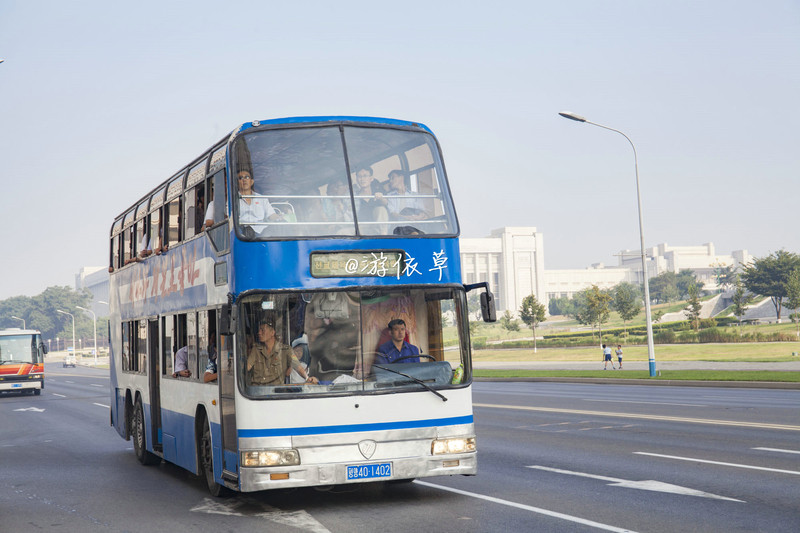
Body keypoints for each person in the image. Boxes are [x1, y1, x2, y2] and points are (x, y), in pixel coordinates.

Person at [246, 319, 318, 386]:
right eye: (259, 330)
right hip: (256, 394)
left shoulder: (286, 350)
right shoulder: (256, 350)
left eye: (262, 330)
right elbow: (247, 367)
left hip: (276, 393)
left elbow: (298, 367)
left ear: (272, 332)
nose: (259, 333)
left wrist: (307, 378)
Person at [237, 170, 284, 234]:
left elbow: (271, 215)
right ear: (237, 182)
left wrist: (279, 218)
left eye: (247, 177)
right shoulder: (233, 200)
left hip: (262, 233)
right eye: (241, 178)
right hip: (242, 233)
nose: (244, 180)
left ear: (252, 181)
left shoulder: (262, 199)